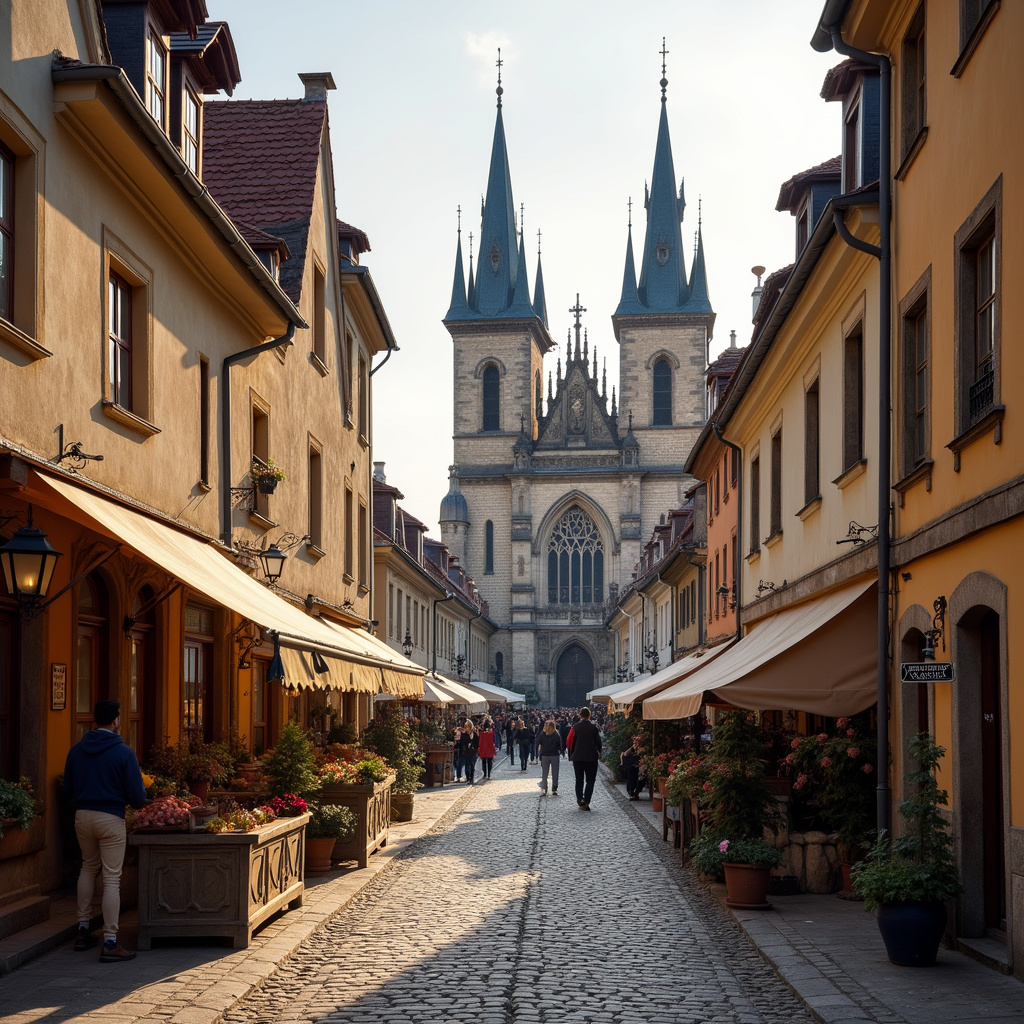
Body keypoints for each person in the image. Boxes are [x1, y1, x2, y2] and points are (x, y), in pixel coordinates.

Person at [62, 699, 147, 962]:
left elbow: (68, 791)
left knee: (88, 867)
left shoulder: (76, 751)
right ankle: (110, 941)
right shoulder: (123, 753)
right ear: (116, 721)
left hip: (82, 816)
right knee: (111, 878)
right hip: (110, 818)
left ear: (94, 721)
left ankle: (83, 929)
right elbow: (138, 797)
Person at [566, 706, 602, 810]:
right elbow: (599, 743)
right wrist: (599, 752)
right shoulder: (594, 728)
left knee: (579, 779)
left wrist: (571, 753)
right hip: (591, 757)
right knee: (590, 780)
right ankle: (586, 800)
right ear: (589, 715)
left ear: (580, 715)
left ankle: (580, 799)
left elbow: (569, 741)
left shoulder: (575, 727)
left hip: (578, 757)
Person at [537, 719, 562, 795]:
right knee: (555, 772)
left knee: (545, 772)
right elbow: (560, 745)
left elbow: (539, 743)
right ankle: (554, 787)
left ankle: (544, 787)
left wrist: (539, 753)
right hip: (555, 755)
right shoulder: (556, 734)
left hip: (545, 755)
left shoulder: (542, 734)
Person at [456, 719, 479, 784]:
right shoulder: (464, 734)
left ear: (470, 726)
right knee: (467, 765)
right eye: (465, 726)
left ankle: (471, 778)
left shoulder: (474, 734)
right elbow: (462, 743)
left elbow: (477, 742)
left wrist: (474, 746)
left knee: (472, 765)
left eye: (466, 727)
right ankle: (468, 778)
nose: (465, 728)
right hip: (466, 751)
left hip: (473, 752)